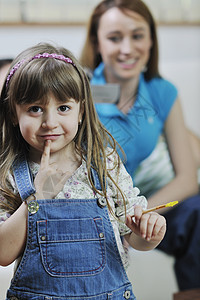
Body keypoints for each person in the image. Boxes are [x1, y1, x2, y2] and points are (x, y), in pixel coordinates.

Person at [0, 42, 166, 299]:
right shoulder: (10, 173)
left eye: (63, 108)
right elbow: (2, 253)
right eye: (35, 109)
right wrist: (37, 198)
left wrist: (149, 234)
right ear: (13, 113)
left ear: (80, 112)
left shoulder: (104, 163)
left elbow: (133, 238)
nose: (50, 122)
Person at [80, 0, 200, 290]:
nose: (127, 49)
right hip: (89, 205)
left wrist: (142, 215)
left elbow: (186, 179)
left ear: (151, 40)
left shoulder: (161, 92)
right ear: (96, 42)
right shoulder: (78, 91)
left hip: (143, 206)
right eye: (114, 37)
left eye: (137, 35)